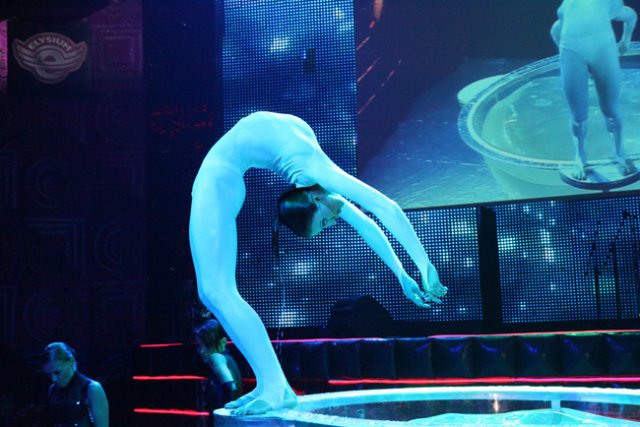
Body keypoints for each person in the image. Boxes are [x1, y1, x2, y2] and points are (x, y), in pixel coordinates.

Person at [189, 111, 447, 415]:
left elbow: (366, 222)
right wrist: (421, 266)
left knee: (215, 291)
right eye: (325, 223)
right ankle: (273, 386)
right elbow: (384, 207)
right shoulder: (314, 169)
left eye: (325, 223)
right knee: (214, 291)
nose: (333, 222)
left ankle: (274, 386)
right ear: (314, 201)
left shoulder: (314, 179)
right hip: (218, 176)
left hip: (221, 176)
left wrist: (405, 272)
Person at [550, 0, 637, 180]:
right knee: (578, 116)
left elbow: (630, 15)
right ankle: (580, 155)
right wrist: (565, 54)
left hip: (601, 48)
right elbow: (556, 29)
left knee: (611, 111)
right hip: (572, 51)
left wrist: (625, 41)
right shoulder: (567, 7)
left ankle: (619, 151)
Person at [41, 342, 109, 427]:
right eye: (49, 375)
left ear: (71, 361)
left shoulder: (92, 389)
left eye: (57, 372)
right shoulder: (52, 390)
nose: (53, 379)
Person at [194, 319, 243, 418]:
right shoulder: (228, 359)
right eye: (199, 346)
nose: (202, 351)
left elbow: (231, 388)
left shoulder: (216, 358)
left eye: (207, 345)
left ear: (222, 342)